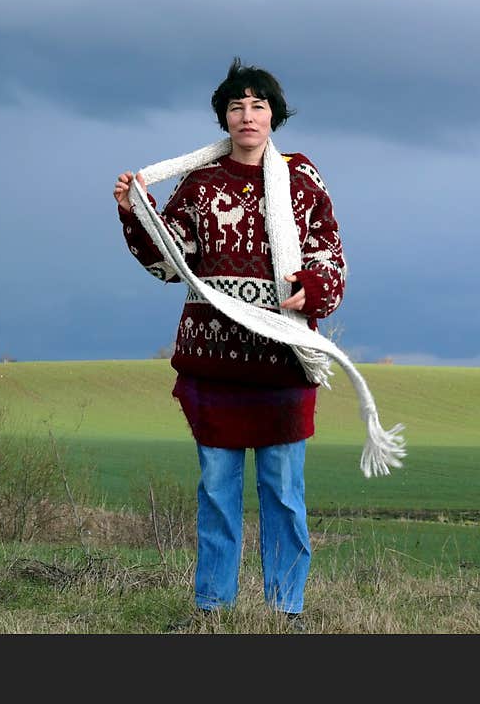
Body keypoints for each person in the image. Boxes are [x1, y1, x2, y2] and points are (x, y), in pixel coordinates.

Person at [113, 57, 346, 631]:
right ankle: (211, 609)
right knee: (217, 492)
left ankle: (285, 610)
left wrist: (309, 289)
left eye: (258, 104)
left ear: (274, 116)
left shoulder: (302, 178)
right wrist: (135, 214)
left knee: (283, 493)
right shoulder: (198, 185)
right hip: (214, 362)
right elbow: (171, 264)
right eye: (237, 105)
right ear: (223, 116)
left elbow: (331, 257)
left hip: (283, 361)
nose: (248, 115)